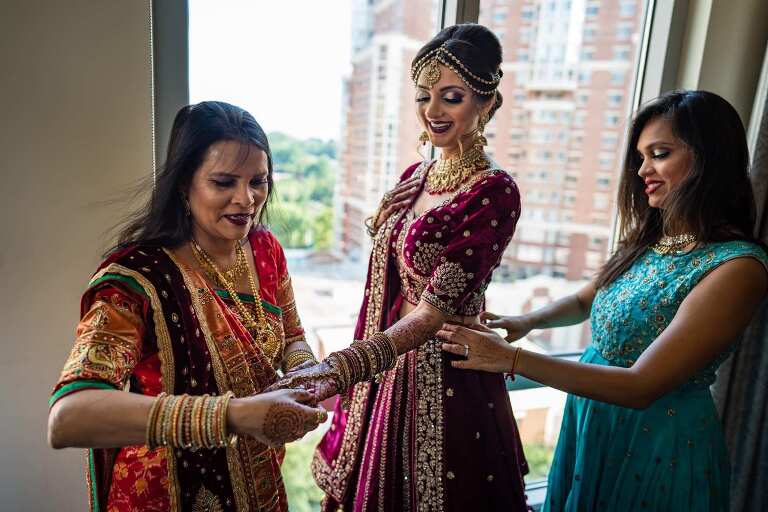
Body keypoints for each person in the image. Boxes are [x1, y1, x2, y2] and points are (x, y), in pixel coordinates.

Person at [438, 90, 768, 511]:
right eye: (641, 157)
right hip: (593, 421)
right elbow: (585, 300)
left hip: (659, 441)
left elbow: (642, 385)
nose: (643, 170)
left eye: (660, 154)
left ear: (710, 158)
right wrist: (526, 322)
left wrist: (510, 359)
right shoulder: (648, 241)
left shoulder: (737, 268)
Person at [268, 24, 529, 511]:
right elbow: (388, 276)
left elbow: (432, 312)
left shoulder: (495, 192)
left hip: (446, 371)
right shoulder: (417, 175)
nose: (432, 112)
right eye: (423, 97)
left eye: (451, 97)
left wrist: (342, 368)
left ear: (487, 103)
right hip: (388, 360)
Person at [47, 101, 327, 512]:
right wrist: (233, 415)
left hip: (260, 482)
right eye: (223, 182)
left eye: (259, 181)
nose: (246, 199)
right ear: (183, 183)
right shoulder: (140, 279)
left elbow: (292, 337)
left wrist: (304, 373)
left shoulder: (265, 250)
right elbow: (69, 417)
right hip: (164, 492)